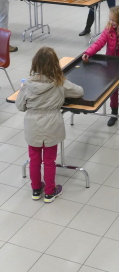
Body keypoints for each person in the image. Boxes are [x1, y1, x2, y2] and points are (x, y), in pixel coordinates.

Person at [15, 46, 84, 203]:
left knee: (34, 160)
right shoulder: (60, 83)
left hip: (33, 126)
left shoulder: (27, 85)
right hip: (52, 125)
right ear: (55, 65)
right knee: (49, 161)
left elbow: (20, 106)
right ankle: (50, 192)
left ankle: (35, 189)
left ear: (35, 64)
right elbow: (79, 92)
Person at [83, 5, 119, 126]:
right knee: (113, 90)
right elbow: (99, 43)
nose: (111, 22)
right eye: (110, 19)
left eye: (114, 20)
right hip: (112, 65)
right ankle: (114, 112)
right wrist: (88, 52)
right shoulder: (108, 30)